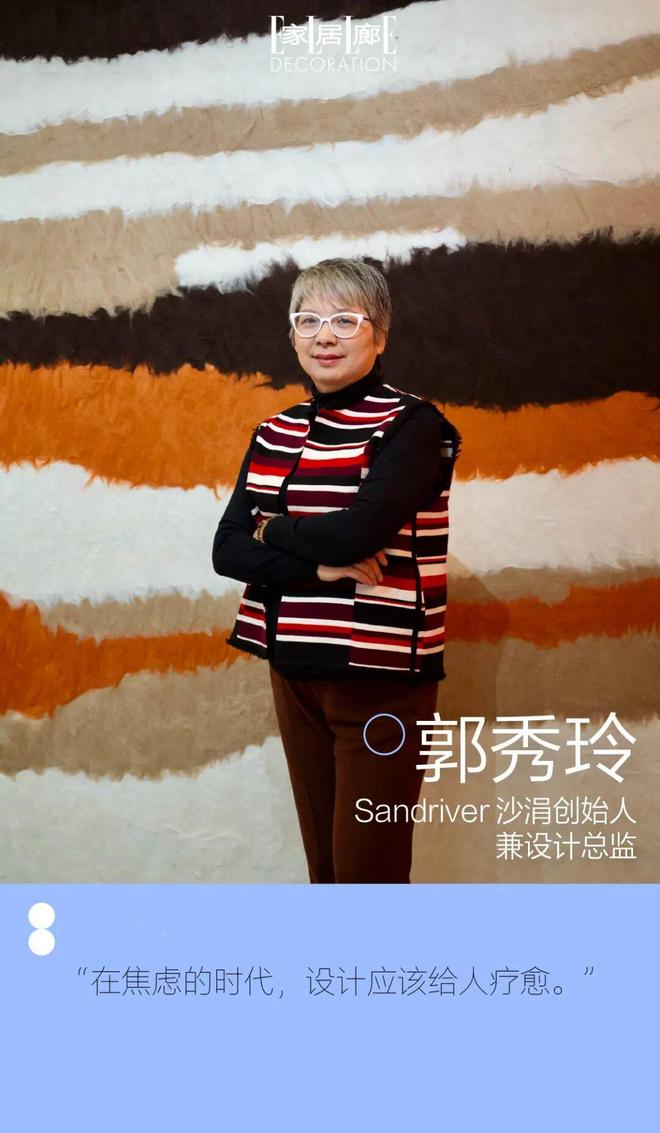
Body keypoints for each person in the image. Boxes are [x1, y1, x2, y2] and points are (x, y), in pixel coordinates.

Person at [212, 258, 461, 883]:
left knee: (368, 877)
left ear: (380, 336)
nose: (325, 336)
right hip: (292, 667)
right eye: (309, 320)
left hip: (381, 677)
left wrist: (271, 527)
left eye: (346, 321)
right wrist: (319, 571)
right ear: (292, 335)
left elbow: (358, 533)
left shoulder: (413, 425)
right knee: (325, 872)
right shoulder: (274, 431)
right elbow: (226, 550)